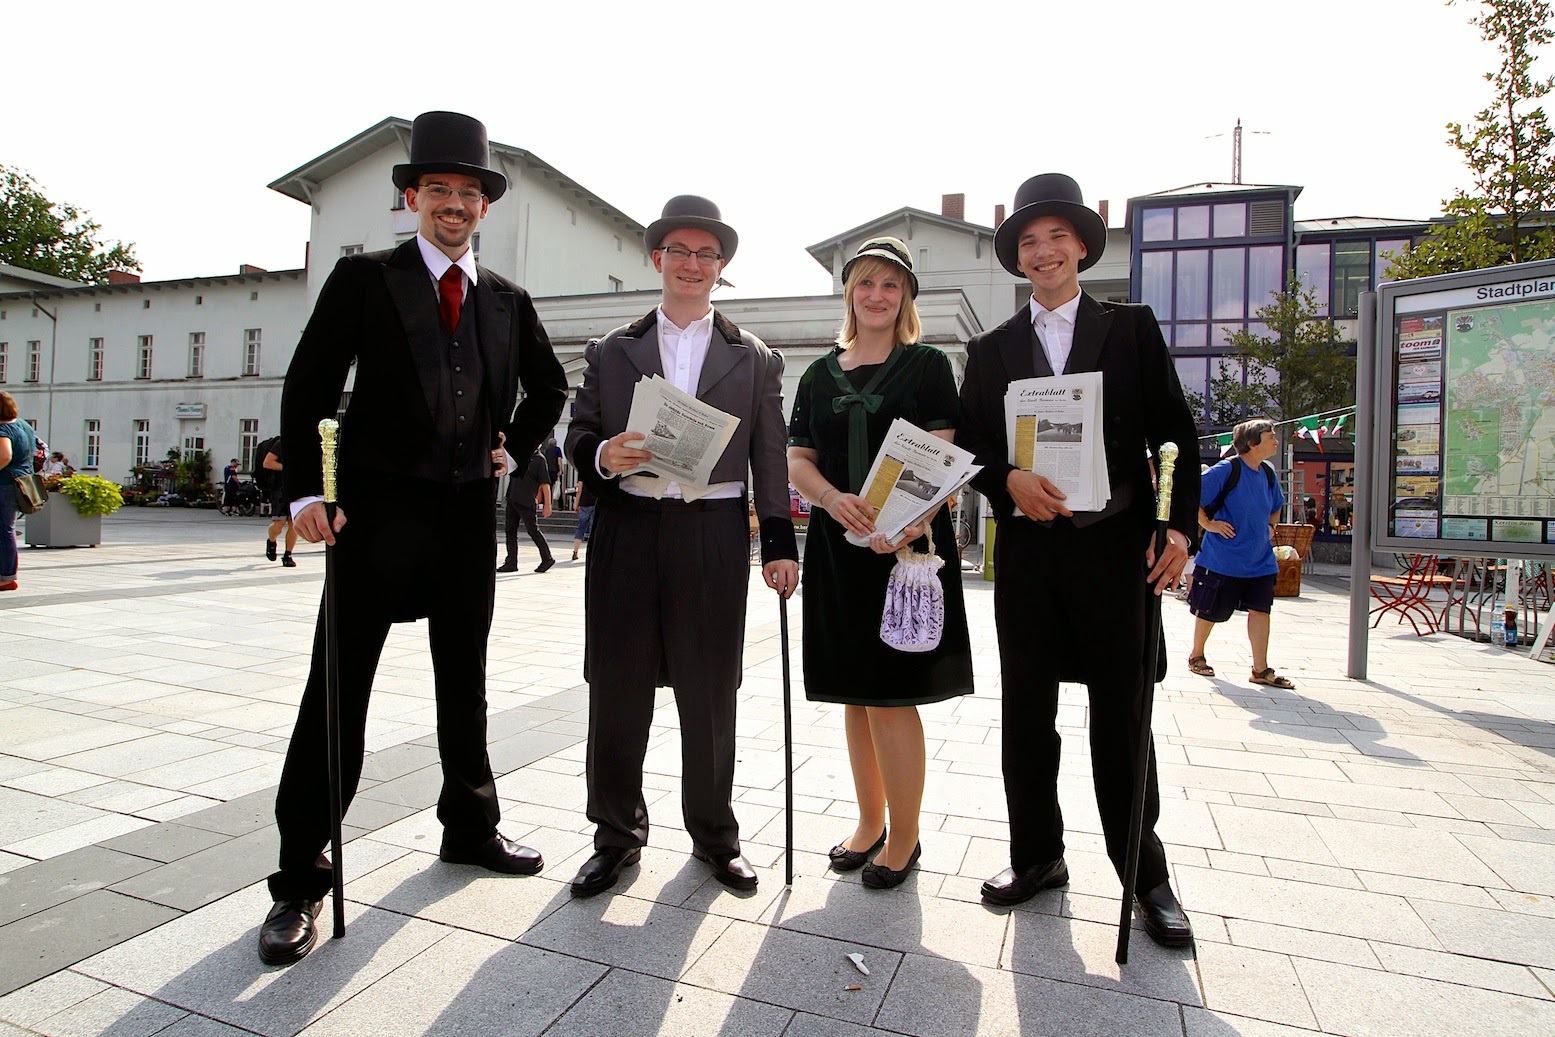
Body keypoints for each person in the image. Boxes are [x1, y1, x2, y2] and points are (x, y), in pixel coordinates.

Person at [257, 111, 567, 967]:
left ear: (484, 207)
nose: (456, 205)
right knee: (338, 690)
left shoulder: (506, 300)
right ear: (412, 198)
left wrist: (519, 440)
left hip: (468, 514)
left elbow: (548, 387)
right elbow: (310, 382)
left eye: (470, 193)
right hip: (374, 514)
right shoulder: (365, 281)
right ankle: (296, 878)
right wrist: (304, 491)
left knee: (462, 680)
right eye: (440, 191)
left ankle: (470, 827)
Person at [957, 174, 1201, 947]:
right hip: (1027, 552)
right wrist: (1007, 481)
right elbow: (971, 448)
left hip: (1112, 550)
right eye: (1028, 242)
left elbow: (1174, 435)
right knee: (1026, 713)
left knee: (1121, 717)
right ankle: (1036, 857)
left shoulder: (1129, 328)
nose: (1042, 251)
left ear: (1081, 245)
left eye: (1055, 236)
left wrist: (1178, 527)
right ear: (1017, 257)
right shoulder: (991, 349)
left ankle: (1145, 873)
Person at [564, 195, 798, 898]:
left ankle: (713, 835)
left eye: (705, 254)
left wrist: (780, 546)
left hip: (711, 533)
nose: (691, 264)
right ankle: (614, 834)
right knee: (617, 688)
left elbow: (771, 455)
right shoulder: (611, 349)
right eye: (678, 251)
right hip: (628, 530)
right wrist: (602, 452)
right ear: (656, 258)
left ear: (719, 267)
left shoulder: (752, 355)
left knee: (708, 691)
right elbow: (578, 433)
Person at [787, 237, 973, 889]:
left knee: (893, 697)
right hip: (840, 544)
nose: (876, 295)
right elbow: (797, 460)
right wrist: (832, 498)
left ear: (906, 297)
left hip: (906, 547)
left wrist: (908, 517)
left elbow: (941, 454)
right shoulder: (816, 375)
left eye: (889, 285)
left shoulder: (925, 367)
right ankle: (868, 823)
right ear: (848, 292)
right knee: (853, 692)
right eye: (865, 283)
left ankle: (906, 835)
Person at [1187, 418, 1295, 689]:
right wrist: (1209, 524)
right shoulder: (1227, 469)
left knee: (1261, 611)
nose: (1276, 441)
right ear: (1251, 443)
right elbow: (1191, 497)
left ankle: (1260, 669)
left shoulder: (1268, 473)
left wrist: (1271, 526)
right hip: (1223, 558)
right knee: (1210, 610)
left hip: (1260, 560)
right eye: (1270, 436)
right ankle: (1196, 655)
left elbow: (1276, 506)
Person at [0, 392, 37, 592]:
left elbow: (5, 455)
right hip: (21, 483)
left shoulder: (3, 429)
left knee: (4, 531)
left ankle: (6, 578)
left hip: (4, 484)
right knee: (6, 530)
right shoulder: (23, 425)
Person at [498, 449, 555, 573]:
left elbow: (545, 484)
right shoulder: (519, 455)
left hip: (526, 500)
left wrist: (547, 505)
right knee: (510, 531)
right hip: (513, 497)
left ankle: (547, 558)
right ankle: (511, 562)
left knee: (533, 530)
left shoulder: (539, 459)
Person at [258, 439, 298, 567]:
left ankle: (288, 554)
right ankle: (271, 540)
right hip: (279, 488)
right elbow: (267, 463)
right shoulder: (282, 443)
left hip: (296, 488)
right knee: (279, 524)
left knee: (294, 523)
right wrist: (288, 468)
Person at [570, 482, 595, 561]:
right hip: (595, 503)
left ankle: (575, 551)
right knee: (594, 529)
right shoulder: (599, 472)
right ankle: (592, 552)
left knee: (581, 528)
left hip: (585, 504)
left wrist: (576, 505)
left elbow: (579, 491)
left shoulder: (583, 476)